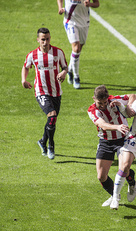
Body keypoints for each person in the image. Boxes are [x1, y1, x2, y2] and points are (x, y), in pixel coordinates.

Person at [88, 85, 136, 206]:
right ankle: (114, 195)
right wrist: (117, 126)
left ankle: (131, 184)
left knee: (124, 168)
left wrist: (128, 106)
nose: (103, 105)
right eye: (100, 102)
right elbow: (103, 125)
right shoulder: (92, 111)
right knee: (101, 176)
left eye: (105, 102)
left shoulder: (115, 100)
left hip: (123, 140)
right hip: (105, 141)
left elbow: (134, 96)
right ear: (94, 99)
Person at [21, 28, 68, 160]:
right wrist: (24, 80)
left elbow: (65, 66)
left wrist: (64, 73)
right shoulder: (33, 55)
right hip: (41, 91)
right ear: (38, 40)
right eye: (43, 39)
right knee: (52, 116)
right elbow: (25, 66)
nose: (45, 42)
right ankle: (51, 146)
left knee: (52, 120)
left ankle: (42, 141)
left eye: (47, 39)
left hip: (56, 91)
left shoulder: (58, 52)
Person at [57, 0, 100, 89]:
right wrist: (60, 7)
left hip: (84, 23)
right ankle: (76, 77)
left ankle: (69, 69)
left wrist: (90, 4)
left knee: (79, 49)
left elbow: (97, 4)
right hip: (70, 22)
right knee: (76, 48)